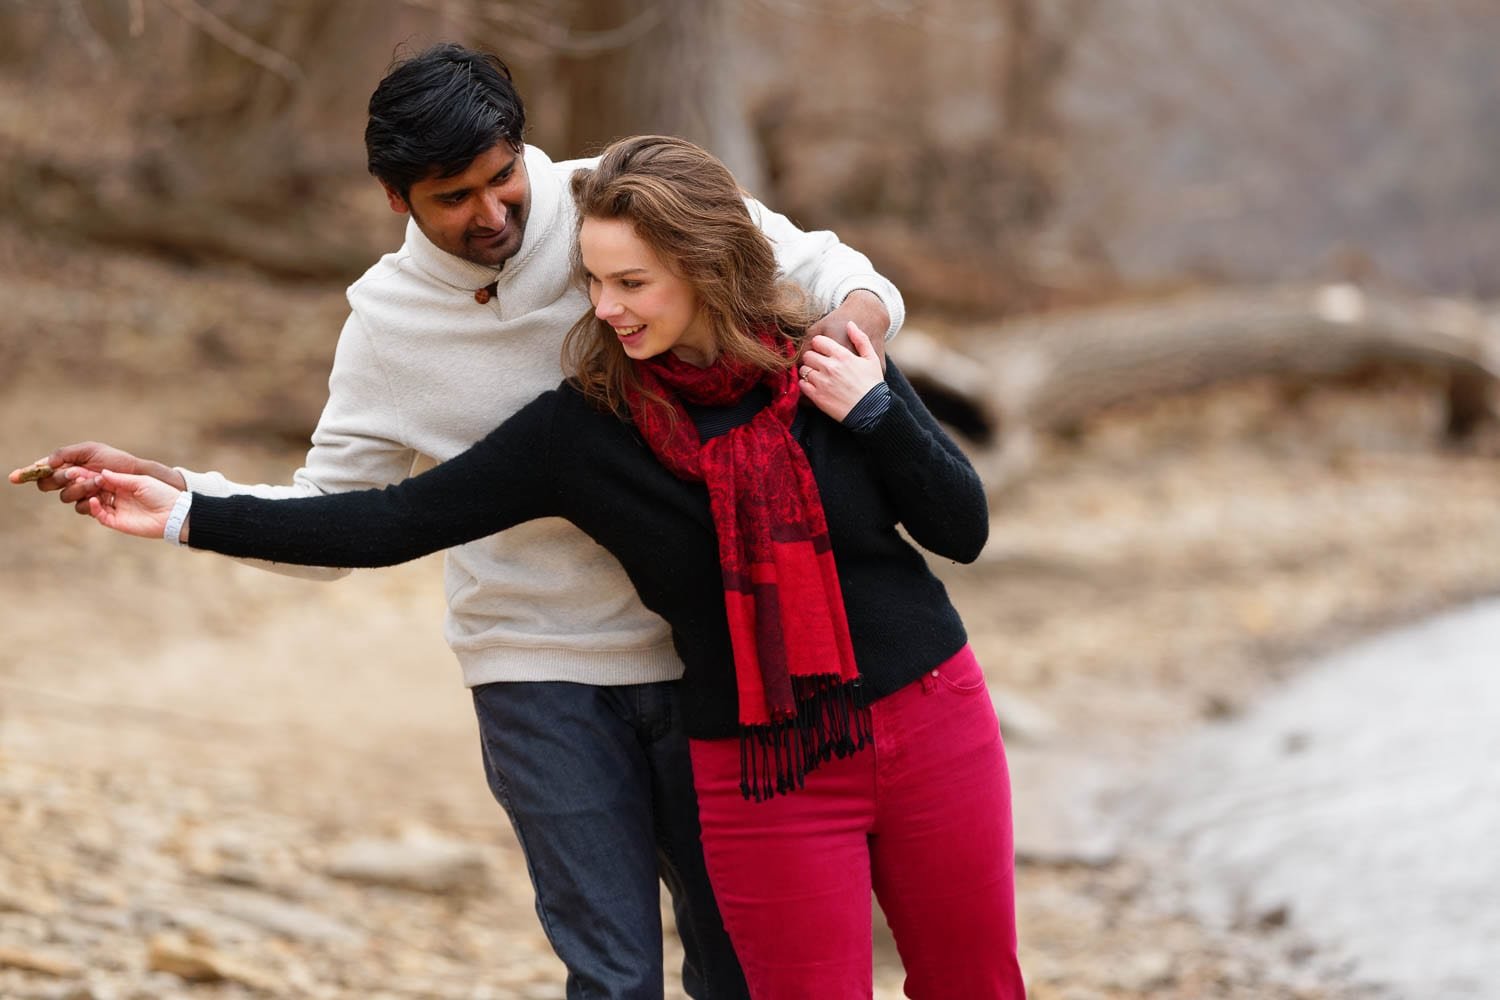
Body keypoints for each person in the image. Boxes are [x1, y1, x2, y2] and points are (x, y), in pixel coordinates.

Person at [10, 45, 907, 1000]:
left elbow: (851, 278)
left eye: (503, 177)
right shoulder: (388, 326)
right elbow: (342, 517)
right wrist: (185, 497)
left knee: (740, 965)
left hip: (708, 655)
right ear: (397, 199)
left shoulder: (622, 210)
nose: (492, 214)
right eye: (453, 197)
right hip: (535, 670)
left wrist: (835, 351)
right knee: (611, 974)